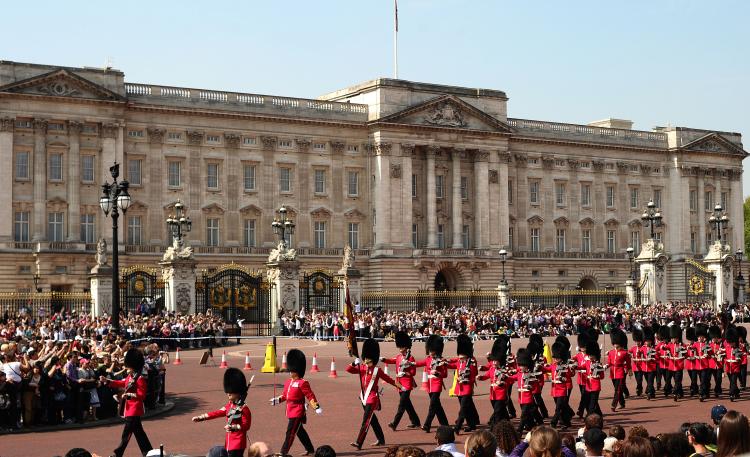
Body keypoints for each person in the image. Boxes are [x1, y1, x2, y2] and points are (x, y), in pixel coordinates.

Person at [346, 338, 404, 450]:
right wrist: (354, 362)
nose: (366, 360)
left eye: (368, 358)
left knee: (366, 420)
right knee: (372, 420)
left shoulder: (377, 370)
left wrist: (401, 386)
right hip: (363, 397)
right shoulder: (362, 368)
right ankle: (381, 439)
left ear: (373, 359)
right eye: (365, 358)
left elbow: (388, 379)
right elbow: (348, 369)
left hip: (372, 398)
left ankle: (359, 442)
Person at [100, 348, 154, 457]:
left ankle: (118, 453)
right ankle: (148, 452)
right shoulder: (131, 376)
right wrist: (108, 381)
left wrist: (129, 395)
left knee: (127, 433)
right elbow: (121, 382)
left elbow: (142, 395)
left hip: (135, 409)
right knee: (139, 433)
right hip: (129, 408)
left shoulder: (140, 379)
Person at [270, 349, 321, 456]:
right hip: (290, 411)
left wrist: (316, 407)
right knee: (299, 431)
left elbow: (310, 396)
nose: (290, 371)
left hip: (298, 411)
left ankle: (283, 453)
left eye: (292, 370)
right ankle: (310, 449)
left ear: (297, 370)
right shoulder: (288, 382)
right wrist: (277, 400)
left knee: (290, 432)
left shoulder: (303, 383)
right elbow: (285, 396)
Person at [191, 368, 252, 457]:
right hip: (228, 443)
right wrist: (202, 417)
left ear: (238, 392)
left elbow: (246, 425)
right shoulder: (230, 406)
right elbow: (217, 412)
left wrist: (233, 427)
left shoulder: (244, 408)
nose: (228, 393)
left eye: (231, 392)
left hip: (238, 443)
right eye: (228, 392)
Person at [382, 331, 421, 431]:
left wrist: (406, 374)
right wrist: (384, 360)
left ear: (406, 347)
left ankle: (394, 423)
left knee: (402, 405)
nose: (400, 349)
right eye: (399, 347)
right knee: (408, 405)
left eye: (401, 347)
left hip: (407, 385)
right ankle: (416, 421)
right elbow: (391, 361)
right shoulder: (399, 357)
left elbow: (413, 372)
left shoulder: (410, 358)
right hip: (399, 384)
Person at [415, 334, 450, 432]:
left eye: (432, 350)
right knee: (437, 405)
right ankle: (445, 424)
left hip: (437, 384)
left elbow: (445, 374)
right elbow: (420, 363)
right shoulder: (428, 359)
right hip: (429, 385)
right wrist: (411, 363)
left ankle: (427, 425)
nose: (430, 352)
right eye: (429, 350)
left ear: (437, 350)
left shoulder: (441, 360)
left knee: (432, 405)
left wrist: (438, 373)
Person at [478, 337, 514, 426]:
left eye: (495, 361)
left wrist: (503, 382)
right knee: (503, 413)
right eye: (493, 361)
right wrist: (480, 377)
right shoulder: (492, 368)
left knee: (497, 414)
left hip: (501, 394)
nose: (493, 363)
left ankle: (493, 429)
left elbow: (510, 380)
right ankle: (509, 427)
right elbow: (487, 376)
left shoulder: (505, 369)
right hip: (493, 394)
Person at [449, 333, 480, 433]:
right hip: (459, 388)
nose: (460, 359)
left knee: (463, 409)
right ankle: (472, 424)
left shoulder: (471, 361)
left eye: (462, 357)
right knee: (467, 408)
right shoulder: (461, 361)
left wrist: (467, 380)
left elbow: (474, 374)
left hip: (466, 388)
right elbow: (454, 363)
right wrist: (445, 363)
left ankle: (457, 427)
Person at [513, 348, 542, 433]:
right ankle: (539, 424)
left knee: (524, 415)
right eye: (520, 365)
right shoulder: (519, 374)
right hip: (521, 398)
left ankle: (519, 431)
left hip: (528, 398)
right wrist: (504, 377)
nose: (520, 367)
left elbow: (535, 385)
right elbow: (512, 378)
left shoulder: (531, 375)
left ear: (527, 365)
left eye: (522, 366)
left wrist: (530, 388)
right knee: (533, 411)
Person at [545, 340, 572, 429]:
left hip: (562, 390)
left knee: (558, 408)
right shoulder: (553, 365)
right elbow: (547, 369)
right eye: (555, 358)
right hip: (554, 390)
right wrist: (539, 367)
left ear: (562, 357)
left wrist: (563, 378)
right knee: (562, 407)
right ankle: (567, 422)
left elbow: (568, 376)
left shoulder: (565, 367)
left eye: (557, 358)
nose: (555, 359)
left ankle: (553, 423)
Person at [607, 329, 630, 411]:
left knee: (618, 390)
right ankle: (622, 403)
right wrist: (606, 366)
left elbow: (628, 363)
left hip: (620, 372)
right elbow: (609, 362)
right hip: (612, 372)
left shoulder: (624, 353)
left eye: (617, 345)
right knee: (617, 389)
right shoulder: (611, 352)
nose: (616, 346)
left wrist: (628, 370)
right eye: (615, 344)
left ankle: (613, 405)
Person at [722, 326, 745, 402]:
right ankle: (737, 392)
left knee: (733, 381)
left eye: (732, 342)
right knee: (732, 381)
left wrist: (738, 359)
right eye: (730, 342)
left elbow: (742, 356)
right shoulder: (727, 345)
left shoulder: (739, 347)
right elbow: (724, 353)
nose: (731, 344)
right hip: (729, 367)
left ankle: (731, 394)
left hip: (735, 367)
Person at [583, 341, 604, 416]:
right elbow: (581, 367)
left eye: (592, 355)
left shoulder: (598, 364)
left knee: (592, 406)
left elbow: (602, 376)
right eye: (589, 355)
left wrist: (598, 376)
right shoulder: (587, 363)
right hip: (588, 386)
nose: (590, 357)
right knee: (588, 402)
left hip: (596, 387)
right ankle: (600, 415)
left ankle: (588, 418)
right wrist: (574, 367)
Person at [665, 325, 686, 401]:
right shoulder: (669, 345)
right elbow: (665, 348)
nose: (674, 339)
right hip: (671, 366)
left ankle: (675, 392)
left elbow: (685, 353)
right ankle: (680, 392)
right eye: (673, 338)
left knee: (677, 381)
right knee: (671, 380)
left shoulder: (682, 345)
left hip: (679, 367)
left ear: (678, 338)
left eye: (675, 338)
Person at [640, 327, 657, 400]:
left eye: (649, 341)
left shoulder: (653, 348)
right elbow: (638, 355)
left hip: (652, 368)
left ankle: (649, 393)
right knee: (648, 382)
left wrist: (652, 358)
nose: (647, 342)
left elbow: (657, 358)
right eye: (646, 341)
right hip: (644, 368)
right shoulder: (642, 348)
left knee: (650, 382)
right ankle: (652, 392)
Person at [629, 328, 644, 397]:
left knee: (639, 379)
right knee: (637, 379)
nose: (637, 343)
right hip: (635, 367)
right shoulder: (633, 348)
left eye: (638, 341)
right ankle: (640, 389)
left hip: (641, 366)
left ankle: (639, 389)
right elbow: (628, 352)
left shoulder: (643, 348)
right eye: (636, 341)